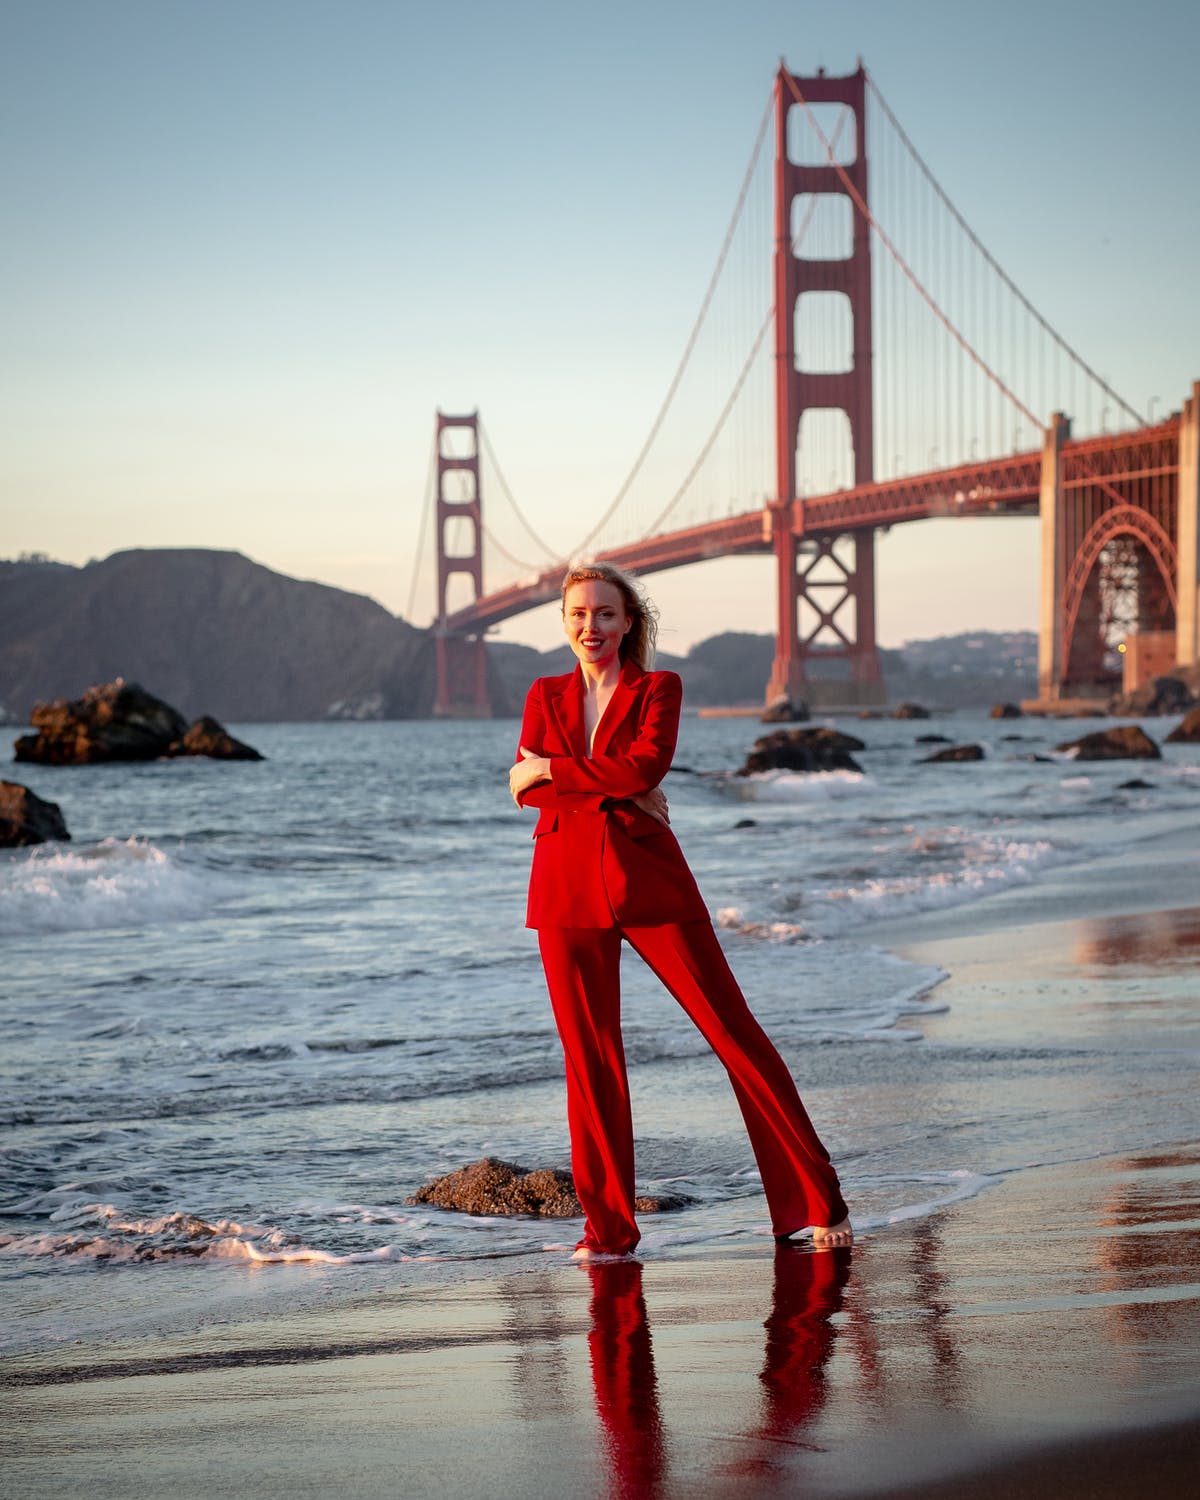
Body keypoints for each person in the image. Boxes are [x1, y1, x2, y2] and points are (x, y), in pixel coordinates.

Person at [509, 562, 852, 1258]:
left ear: (629, 621)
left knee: (733, 1032)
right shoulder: (543, 694)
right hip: (563, 888)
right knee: (590, 1061)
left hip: (650, 882)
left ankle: (817, 1198)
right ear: (565, 623)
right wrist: (591, 784)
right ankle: (606, 1230)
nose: (591, 628)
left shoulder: (658, 688)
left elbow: (641, 768)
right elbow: (532, 795)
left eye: (606, 614)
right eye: (579, 615)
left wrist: (556, 770)